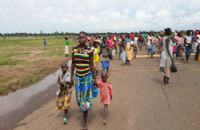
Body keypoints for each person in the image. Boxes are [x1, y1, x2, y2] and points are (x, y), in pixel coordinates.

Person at [71, 31, 96, 130]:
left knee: (85, 100)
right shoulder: (74, 50)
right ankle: (83, 108)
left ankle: (85, 123)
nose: (81, 39)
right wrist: (71, 77)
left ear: (86, 39)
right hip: (77, 77)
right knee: (78, 99)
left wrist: (94, 78)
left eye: (83, 37)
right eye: (79, 37)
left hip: (87, 77)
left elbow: (91, 65)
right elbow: (73, 64)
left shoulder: (90, 50)